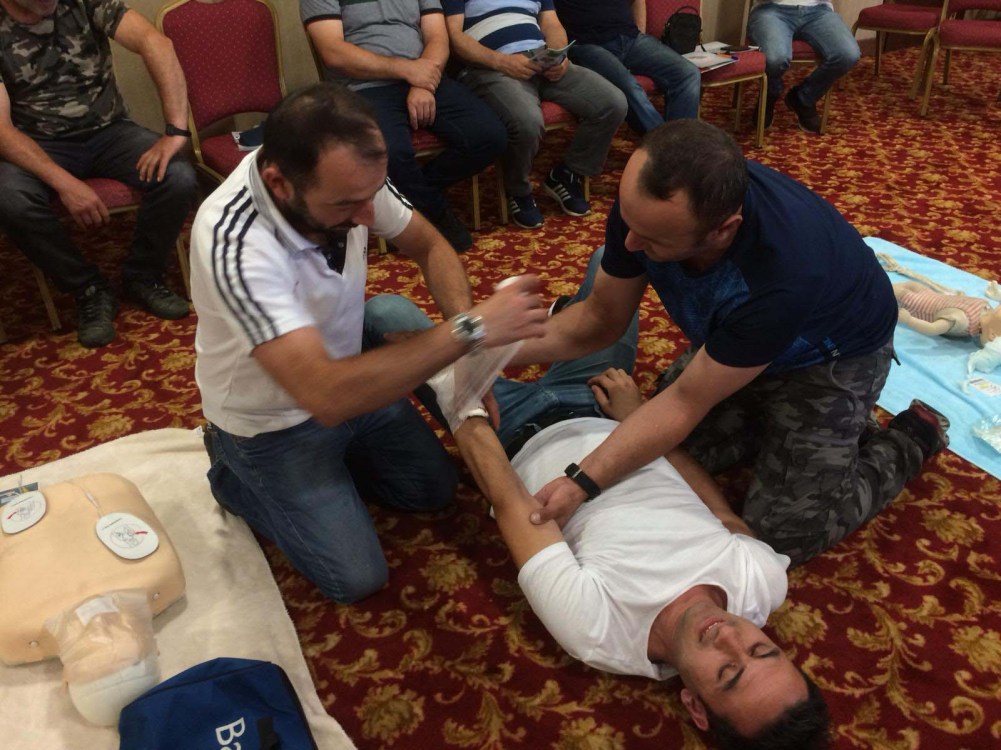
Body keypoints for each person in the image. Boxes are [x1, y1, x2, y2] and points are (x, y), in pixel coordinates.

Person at [362, 259, 831, 747]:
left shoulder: (600, 634)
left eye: (727, 672)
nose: (730, 637)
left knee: (385, 313)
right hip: (604, 407)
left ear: (695, 705)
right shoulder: (762, 584)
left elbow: (513, 504)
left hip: (514, 430)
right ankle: (562, 323)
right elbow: (719, 512)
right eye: (761, 650)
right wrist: (642, 419)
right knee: (623, 254)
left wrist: (461, 397)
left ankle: (538, 334)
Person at [511, 119, 950, 568]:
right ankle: (788, 430)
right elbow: (599, 320)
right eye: (628, 220)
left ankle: (910, 437)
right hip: (735, 340)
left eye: (653, 240)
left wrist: (580, 483)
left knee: (784, 534)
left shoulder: (785, 272)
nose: (629, 242)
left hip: (831, 358)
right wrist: (488, 350)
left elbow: (684, 402)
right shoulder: (646, 207)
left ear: (722, 230)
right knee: (659, 464)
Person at [190, 83, 548, 604]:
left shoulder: (349, 179)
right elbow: (327, 397)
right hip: (272, 421)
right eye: (345, 204)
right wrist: (471, 329)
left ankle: (333, 472)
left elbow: (430, 245)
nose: (366, 216)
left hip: (345, 371)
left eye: (370, 195)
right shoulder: (233, 241)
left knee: (432, 490)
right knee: (356, 578)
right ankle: (230, 466)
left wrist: (469, 347)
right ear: (279, 183)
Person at [0, 0, 196, 347]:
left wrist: (176, 132)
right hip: (39, 143)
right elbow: (2, 131)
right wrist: (66, 183)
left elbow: (156, 43)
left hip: (110, 131)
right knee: (11, 201)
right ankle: (88, 288)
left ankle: (143, 275)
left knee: (178, 176)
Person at [301, 0, 507, 253]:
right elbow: (334, 52)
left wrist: (422, 83)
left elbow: (437, 37)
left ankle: (410, 196)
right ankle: (437, 215)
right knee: (390, 154)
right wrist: (407, 70)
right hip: (363, 87)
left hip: (426, 78)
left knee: (490, 136)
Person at [443, 0, 627, 229]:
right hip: (492, 68)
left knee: (612, 103)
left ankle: (568, 174)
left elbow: (552, 23)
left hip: (542, 60)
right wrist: (502, 61)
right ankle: (518, 190)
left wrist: (559, 56)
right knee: (528, 121)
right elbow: (455, 38)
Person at [552, 0, 700, 134]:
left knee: (687, 73)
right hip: (587, 44)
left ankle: (679, 141)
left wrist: (639, 32)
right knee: (628, 87)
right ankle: (664, 147)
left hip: (630, 38)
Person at [747, 0, 860, 134]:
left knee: (848, 54)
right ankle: (770, 93)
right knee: (775, 59)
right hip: (771, 9)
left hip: (818, 10)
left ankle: (803, 98)